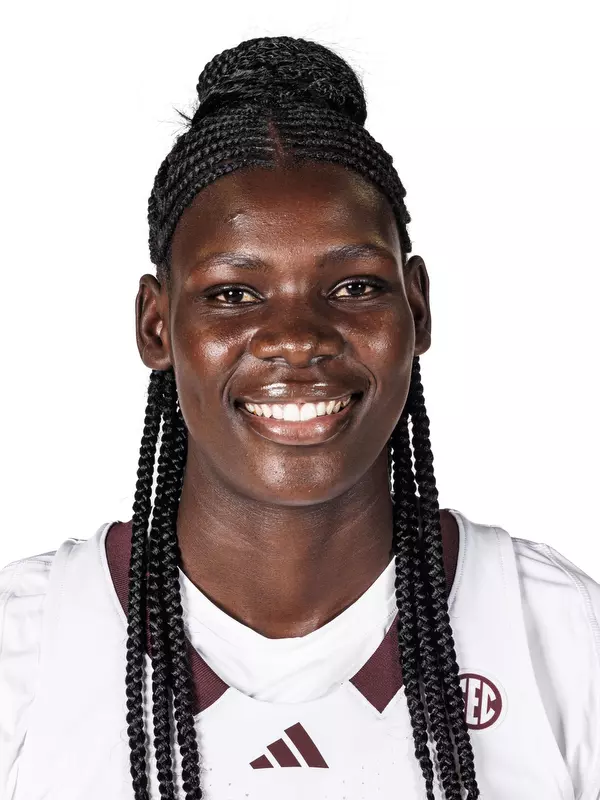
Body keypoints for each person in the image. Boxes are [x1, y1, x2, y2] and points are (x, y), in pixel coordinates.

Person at [0, 35, 598, 800]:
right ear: (156, 325)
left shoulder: (557, 634)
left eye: (355, 287)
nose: (298, 339)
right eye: (233, 294)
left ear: (416, 307)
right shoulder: (30, 650)